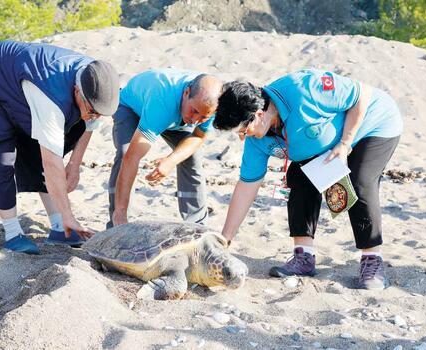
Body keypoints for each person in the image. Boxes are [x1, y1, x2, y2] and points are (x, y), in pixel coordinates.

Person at [215, 69, 402, 290]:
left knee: (360, 180)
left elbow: (362, 94)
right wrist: (224, 240)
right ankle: (304, 257)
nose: (242, 136)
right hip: (322, 144)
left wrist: (345, 143)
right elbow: (247, 185)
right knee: (298, 178)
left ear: (258, 114)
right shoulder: (256, 141)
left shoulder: (305, 88)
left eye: (243, 130)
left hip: (373, 123)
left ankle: (372, 261)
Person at [0, 40, 119, 254]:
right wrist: (69, 215)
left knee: (58, 134)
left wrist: (75, 164)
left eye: (99, 113)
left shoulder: (98, 81)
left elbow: (89, 126)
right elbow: (51, 161)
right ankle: (13, 233)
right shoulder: (50, 96)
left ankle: (59, 229)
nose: (94, 116)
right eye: (92, 110)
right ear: (77, 91)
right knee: (1, 149)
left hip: (24, 80)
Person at [108, 69, 222, 228]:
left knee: (191, 157)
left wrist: (170, 161)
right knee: (125, 153)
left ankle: (197, 226)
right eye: (194, 111)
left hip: (175, 117)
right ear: (186, 92)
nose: (196, 120)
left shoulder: (210, 105)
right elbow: (131, 158)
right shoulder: (161, 101)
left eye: (203, 117)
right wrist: (120, 211)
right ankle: (117, 222)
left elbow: (198, 137)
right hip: (131, 108)